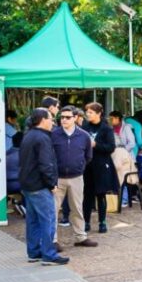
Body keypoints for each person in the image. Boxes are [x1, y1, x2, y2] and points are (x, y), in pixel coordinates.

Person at [18, 108, 69, 266]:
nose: (53, 122)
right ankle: (49, 254)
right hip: (40, 186)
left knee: (33, 220)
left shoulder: (29, 136)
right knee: (48, 219)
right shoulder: (43, 138)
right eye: (51, 119)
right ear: (42, 120)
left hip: (28, 184)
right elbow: (46, 164)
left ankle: (34, 252)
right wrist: (51, 183)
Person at [51, 106, 98, 248]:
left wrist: (79, 167)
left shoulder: (84, 136)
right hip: (57, 178)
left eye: (67, 117)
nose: (64, 119)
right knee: (53, 210)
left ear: (75, 118)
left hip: (76, 177)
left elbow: (88, 156)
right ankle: (52, 240)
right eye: (62, 117)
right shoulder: (53, 134)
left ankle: (81, 237)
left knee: (77, 208)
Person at [82, 102, 119, 233]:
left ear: (98, 114)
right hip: (87, 165)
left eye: (91, 112)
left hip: (102, 165)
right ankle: (85, 222)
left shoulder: (106, 128)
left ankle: (102, 222)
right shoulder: (85, 126)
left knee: (101, 195)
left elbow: (111, 147)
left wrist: (95, 144)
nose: (88, 114)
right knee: (87, 195)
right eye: (87, 112)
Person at [6, 131, 26, 216]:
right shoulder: (23, 155)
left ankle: (17, 202)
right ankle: (25, 207)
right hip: (17, 184)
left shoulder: (6, 153)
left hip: (4, 185)